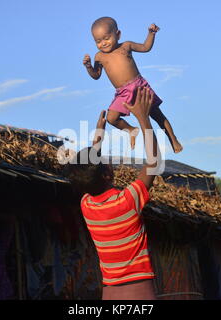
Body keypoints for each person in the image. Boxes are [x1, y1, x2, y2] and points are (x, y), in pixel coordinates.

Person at [67, 87, 160, 300]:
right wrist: (143, 119)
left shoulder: (87, 205)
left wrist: (98, 136)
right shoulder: (128, 201)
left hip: (109, 293)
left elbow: (90, 171)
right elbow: (153, 162)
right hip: (139, 292)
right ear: (108, 174)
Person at [83, 17, 183, 153]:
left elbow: (145, 47)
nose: (103, 43)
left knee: (157, 115)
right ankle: (131, 130)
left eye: (106, 38)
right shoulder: (99, 57)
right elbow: (96, 75)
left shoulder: (126, 46)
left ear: (117, 35)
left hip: (139, 86)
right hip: (122, 93)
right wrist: (89, 67)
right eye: (98, 41)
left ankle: (173, 138)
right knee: (111, 118)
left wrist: (151, 34)